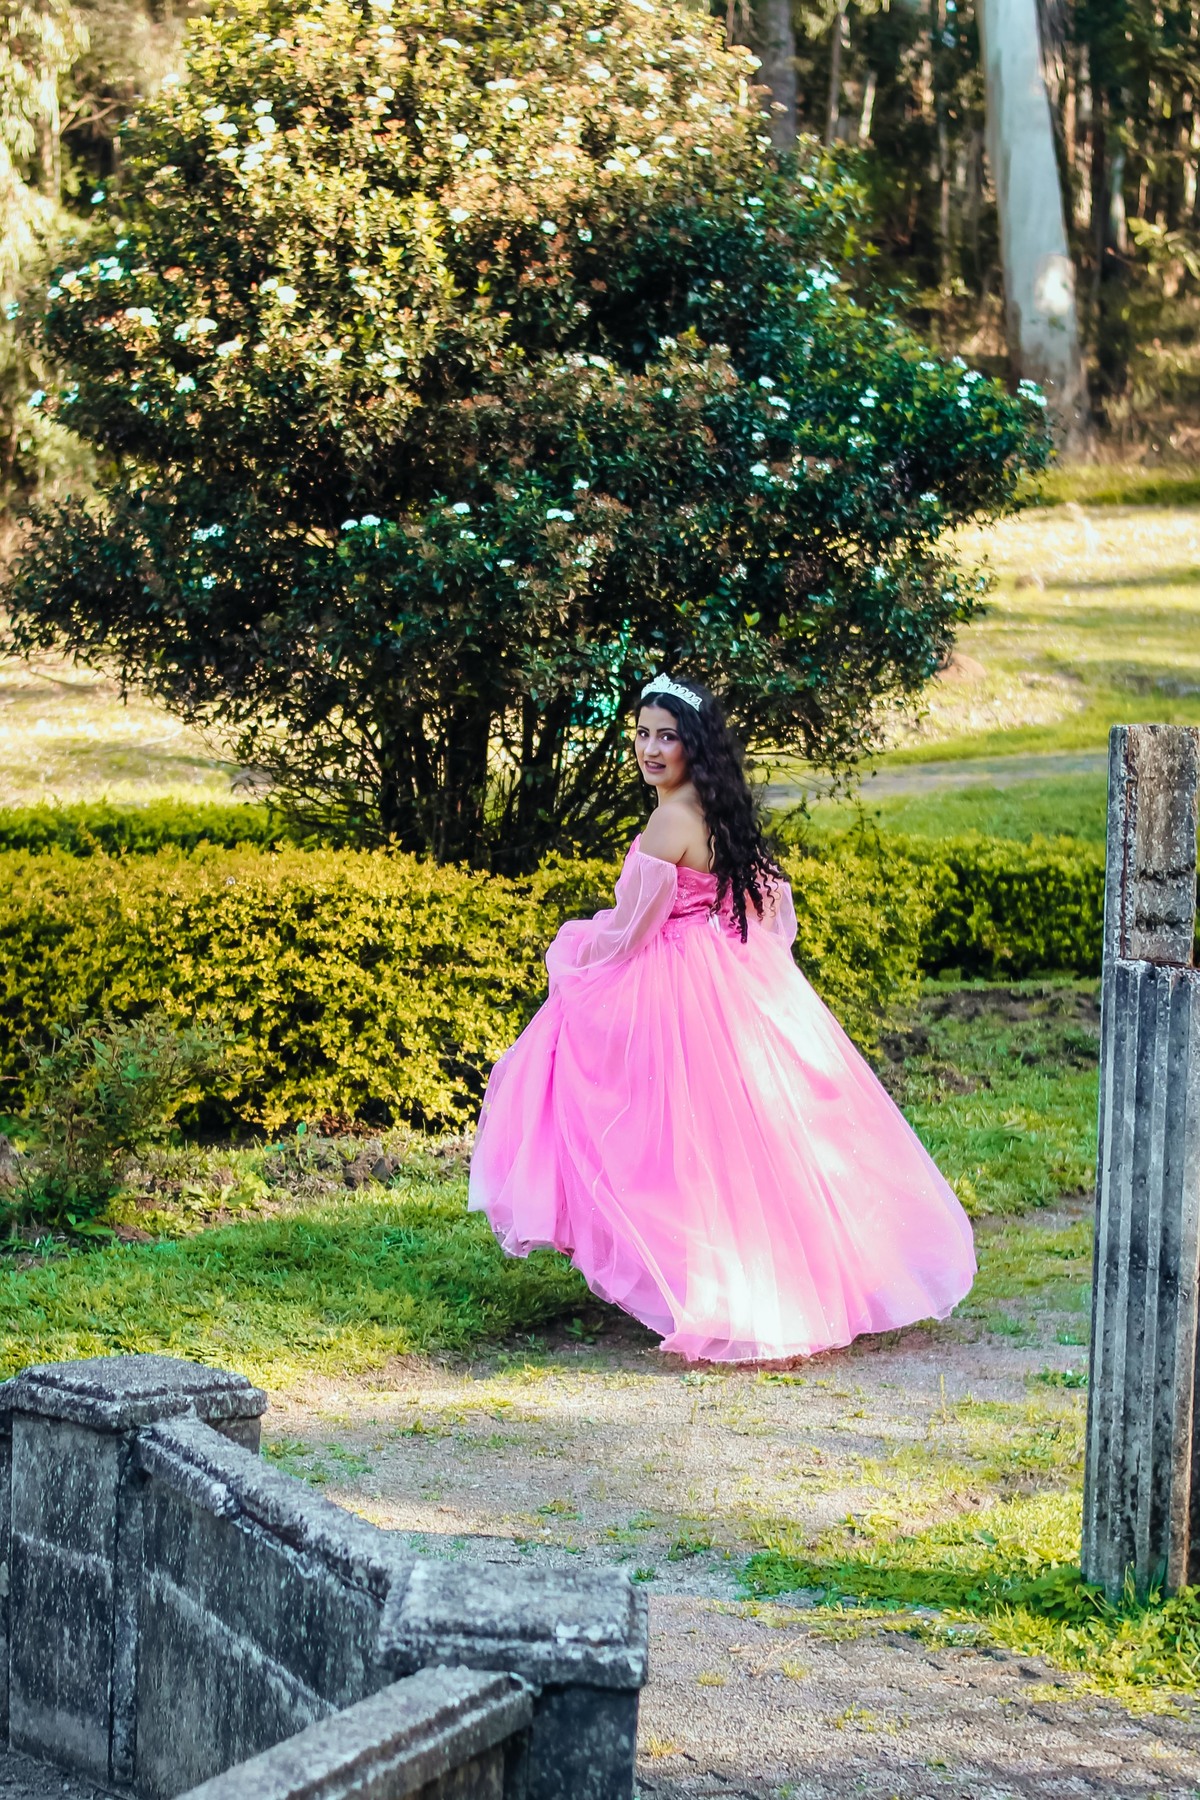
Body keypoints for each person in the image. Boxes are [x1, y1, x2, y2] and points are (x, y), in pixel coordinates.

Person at [468, 674, 976, 1362]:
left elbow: (631, 932)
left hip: (672, 979)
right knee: (733, 1140)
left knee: (656, 1129)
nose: (650, 749)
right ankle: (765, 1280)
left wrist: (578, 956)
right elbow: (765, 904)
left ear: (693, 745)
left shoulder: (669, 820)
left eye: (666, 737)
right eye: (642, 734)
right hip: (721, 969)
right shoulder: (717, 809)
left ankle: (713, 1286)